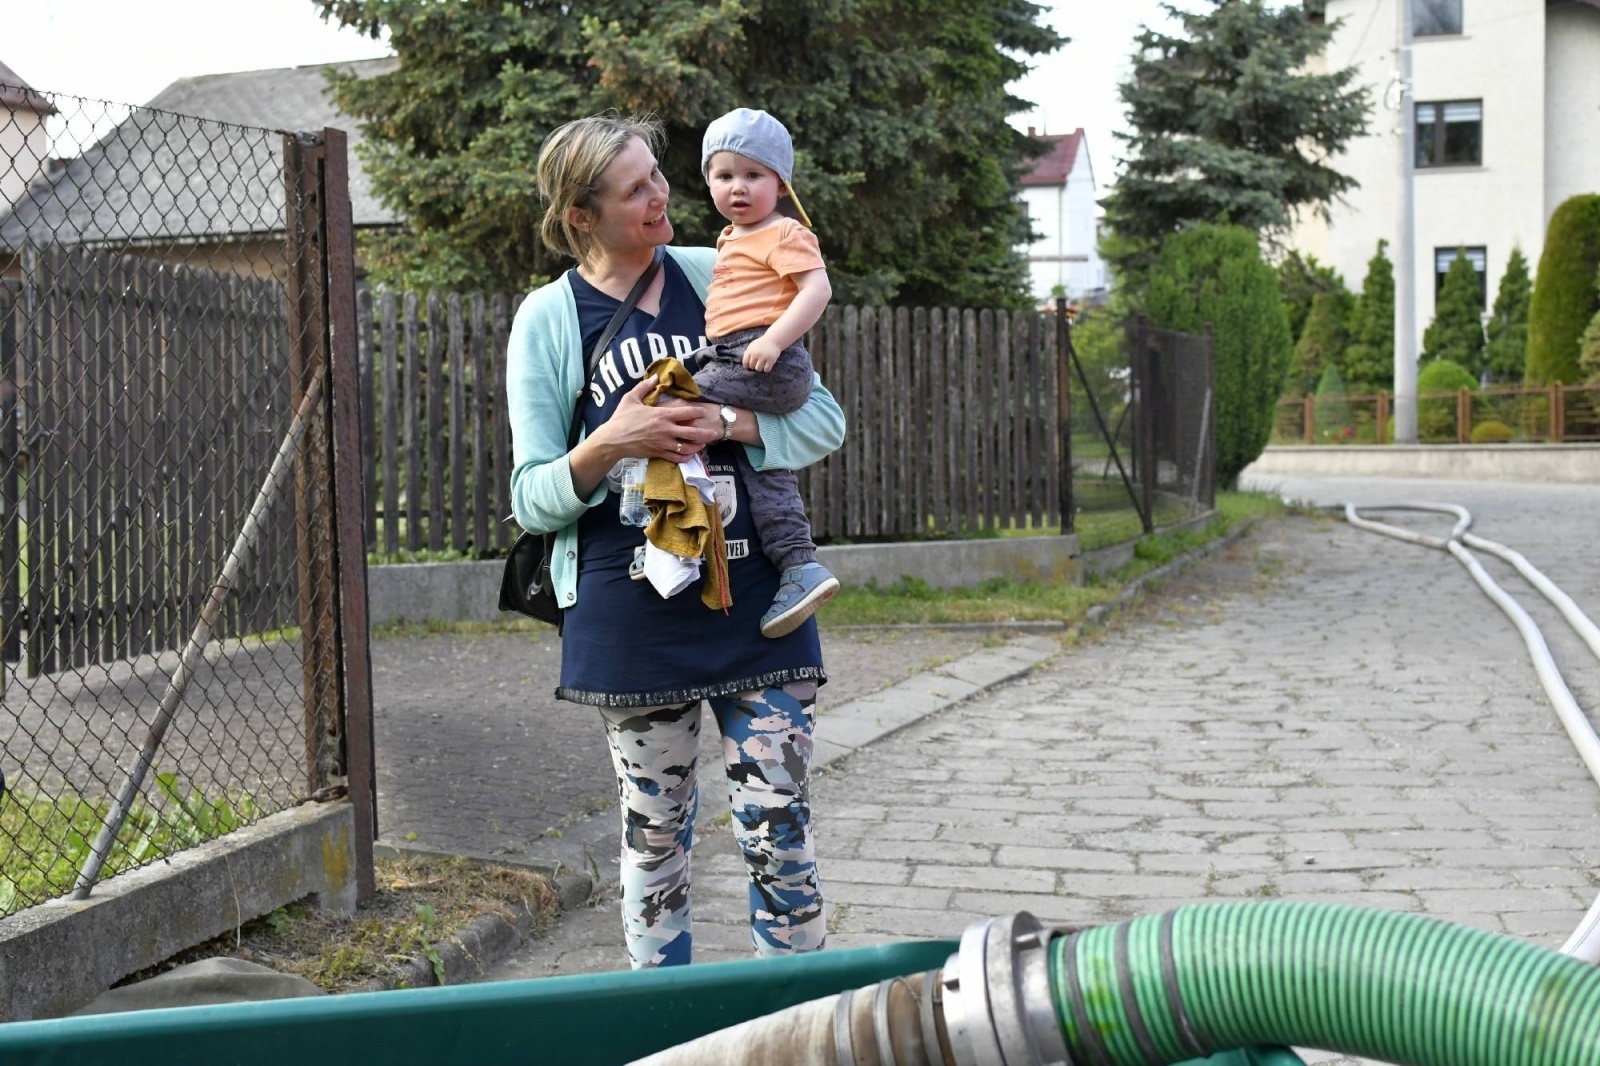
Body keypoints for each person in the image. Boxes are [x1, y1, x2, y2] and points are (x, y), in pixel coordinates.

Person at [505, 113, 846, 969]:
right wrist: (612, 442)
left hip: (761, 604)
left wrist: (726, 420)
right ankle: (664, 1034)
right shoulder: (549, 319)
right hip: (634, 620)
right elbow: (532, 499)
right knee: (656, 847)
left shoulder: (721, 266)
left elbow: (825, 420)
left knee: (781, 833)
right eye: (635, 189)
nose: (663, 196)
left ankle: (794, 1030)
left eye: (658, 175)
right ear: (583, 215)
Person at [692, 107, 839, 638]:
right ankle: (799, 566)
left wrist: (775, 340)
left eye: (754, 175)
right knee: (766, 469)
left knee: (675, 403)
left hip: (766, 359)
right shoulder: (731, 238)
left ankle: (671, 537)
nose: (738, 187)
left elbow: (817, 289)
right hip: (735, 356)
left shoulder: (784, 232)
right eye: (724, 175)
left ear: (779, 183)